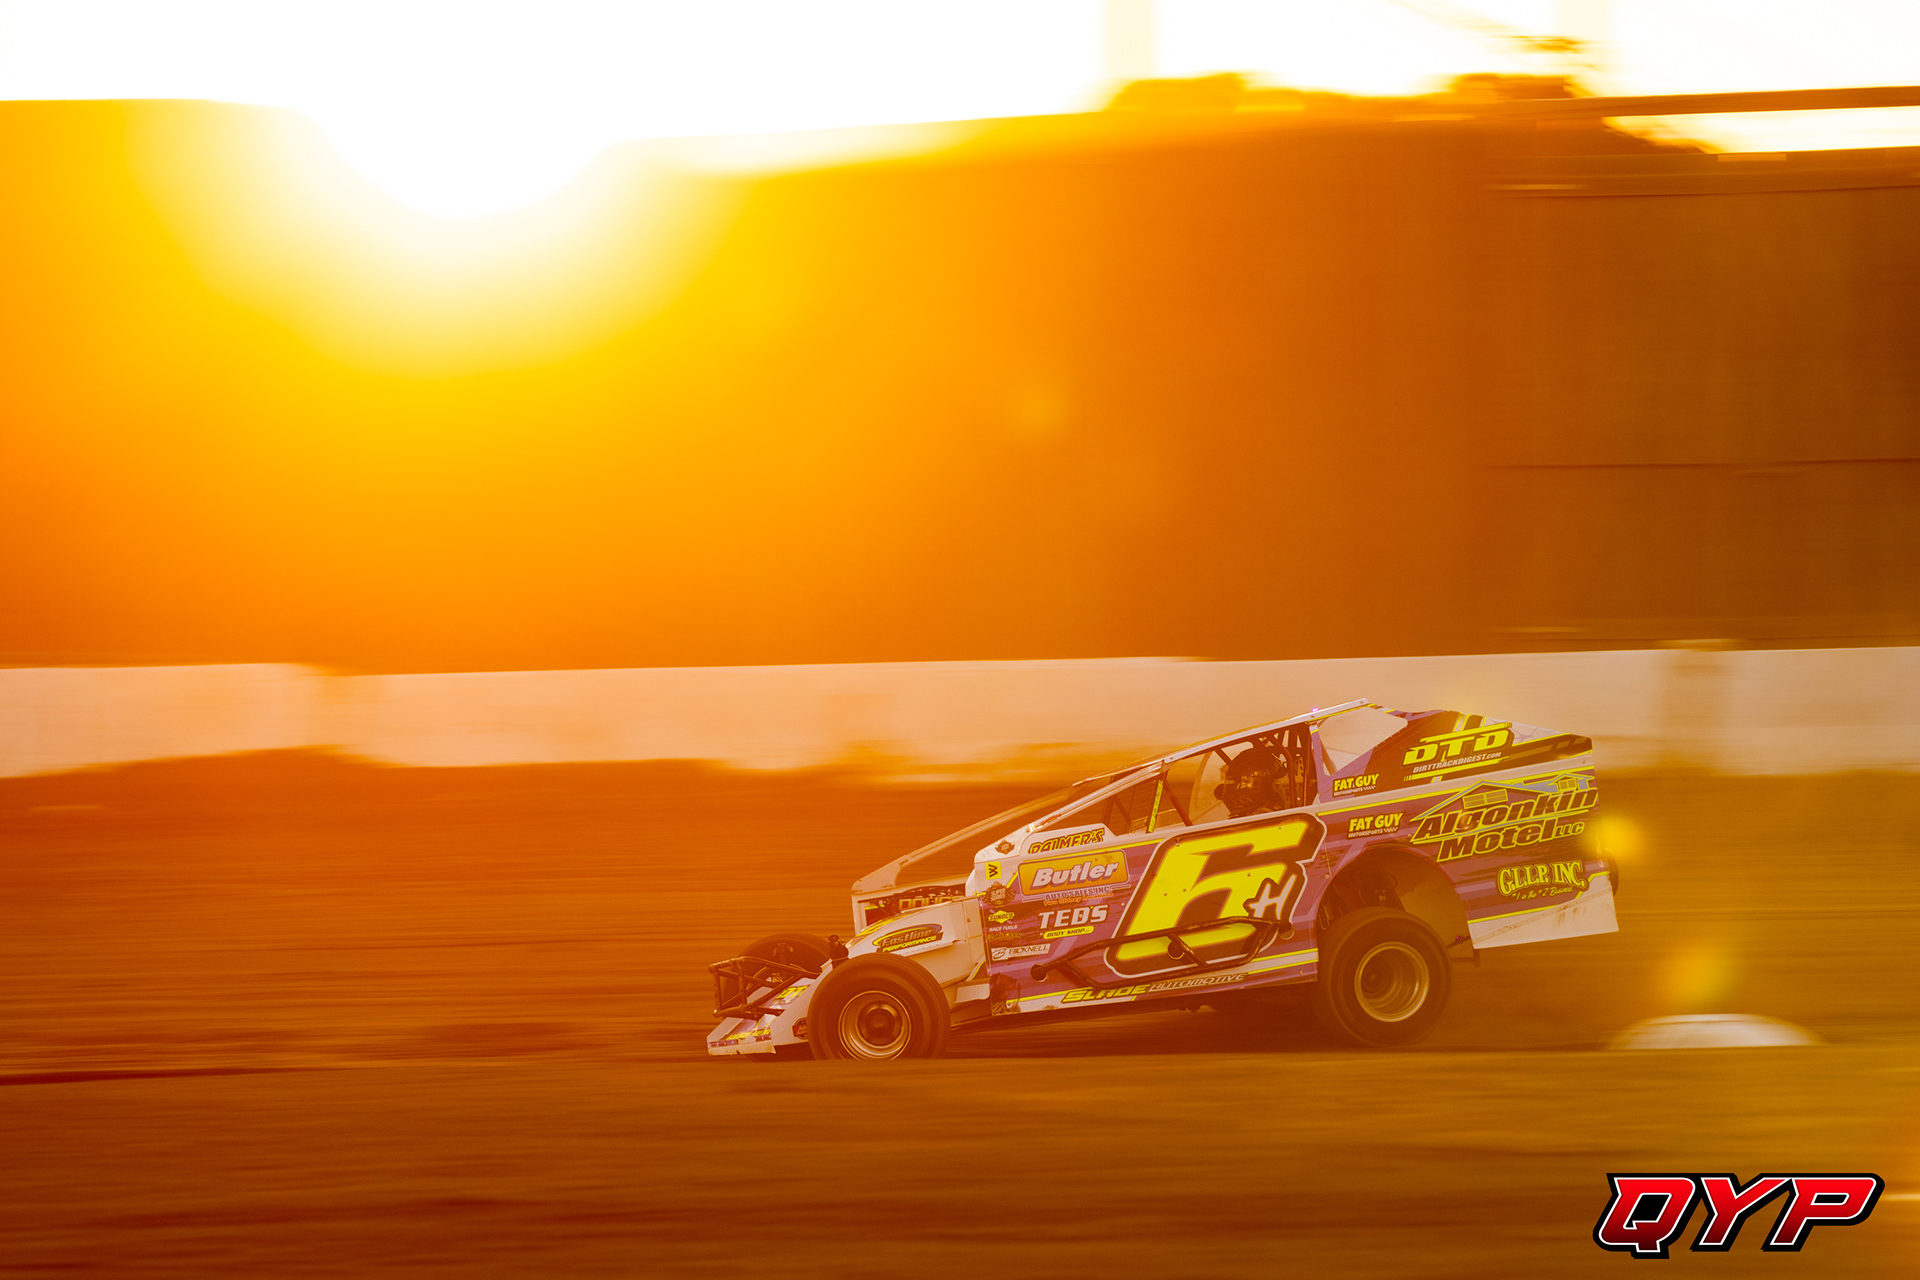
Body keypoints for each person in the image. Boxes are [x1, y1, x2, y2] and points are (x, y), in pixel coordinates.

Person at [1214, 745, 1284, 817]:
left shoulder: (1272, 816)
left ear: (1270, 786)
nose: (1240, 790)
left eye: (1246, 782)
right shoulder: (1248, 816)